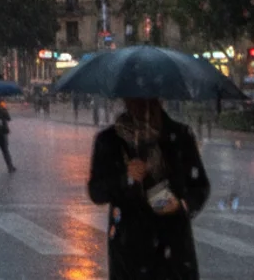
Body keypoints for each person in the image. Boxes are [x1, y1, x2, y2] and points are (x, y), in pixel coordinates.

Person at [88, 97, 210, 279]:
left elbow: (199, 185)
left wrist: (181, 204)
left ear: (159, 100)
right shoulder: (110, 141)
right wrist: (125, 178)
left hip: (173, 246)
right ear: (126, 100)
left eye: (149, 100)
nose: (142, 105)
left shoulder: (179, 136)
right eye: (135, 99)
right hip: (129, 248)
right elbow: (96, 192)